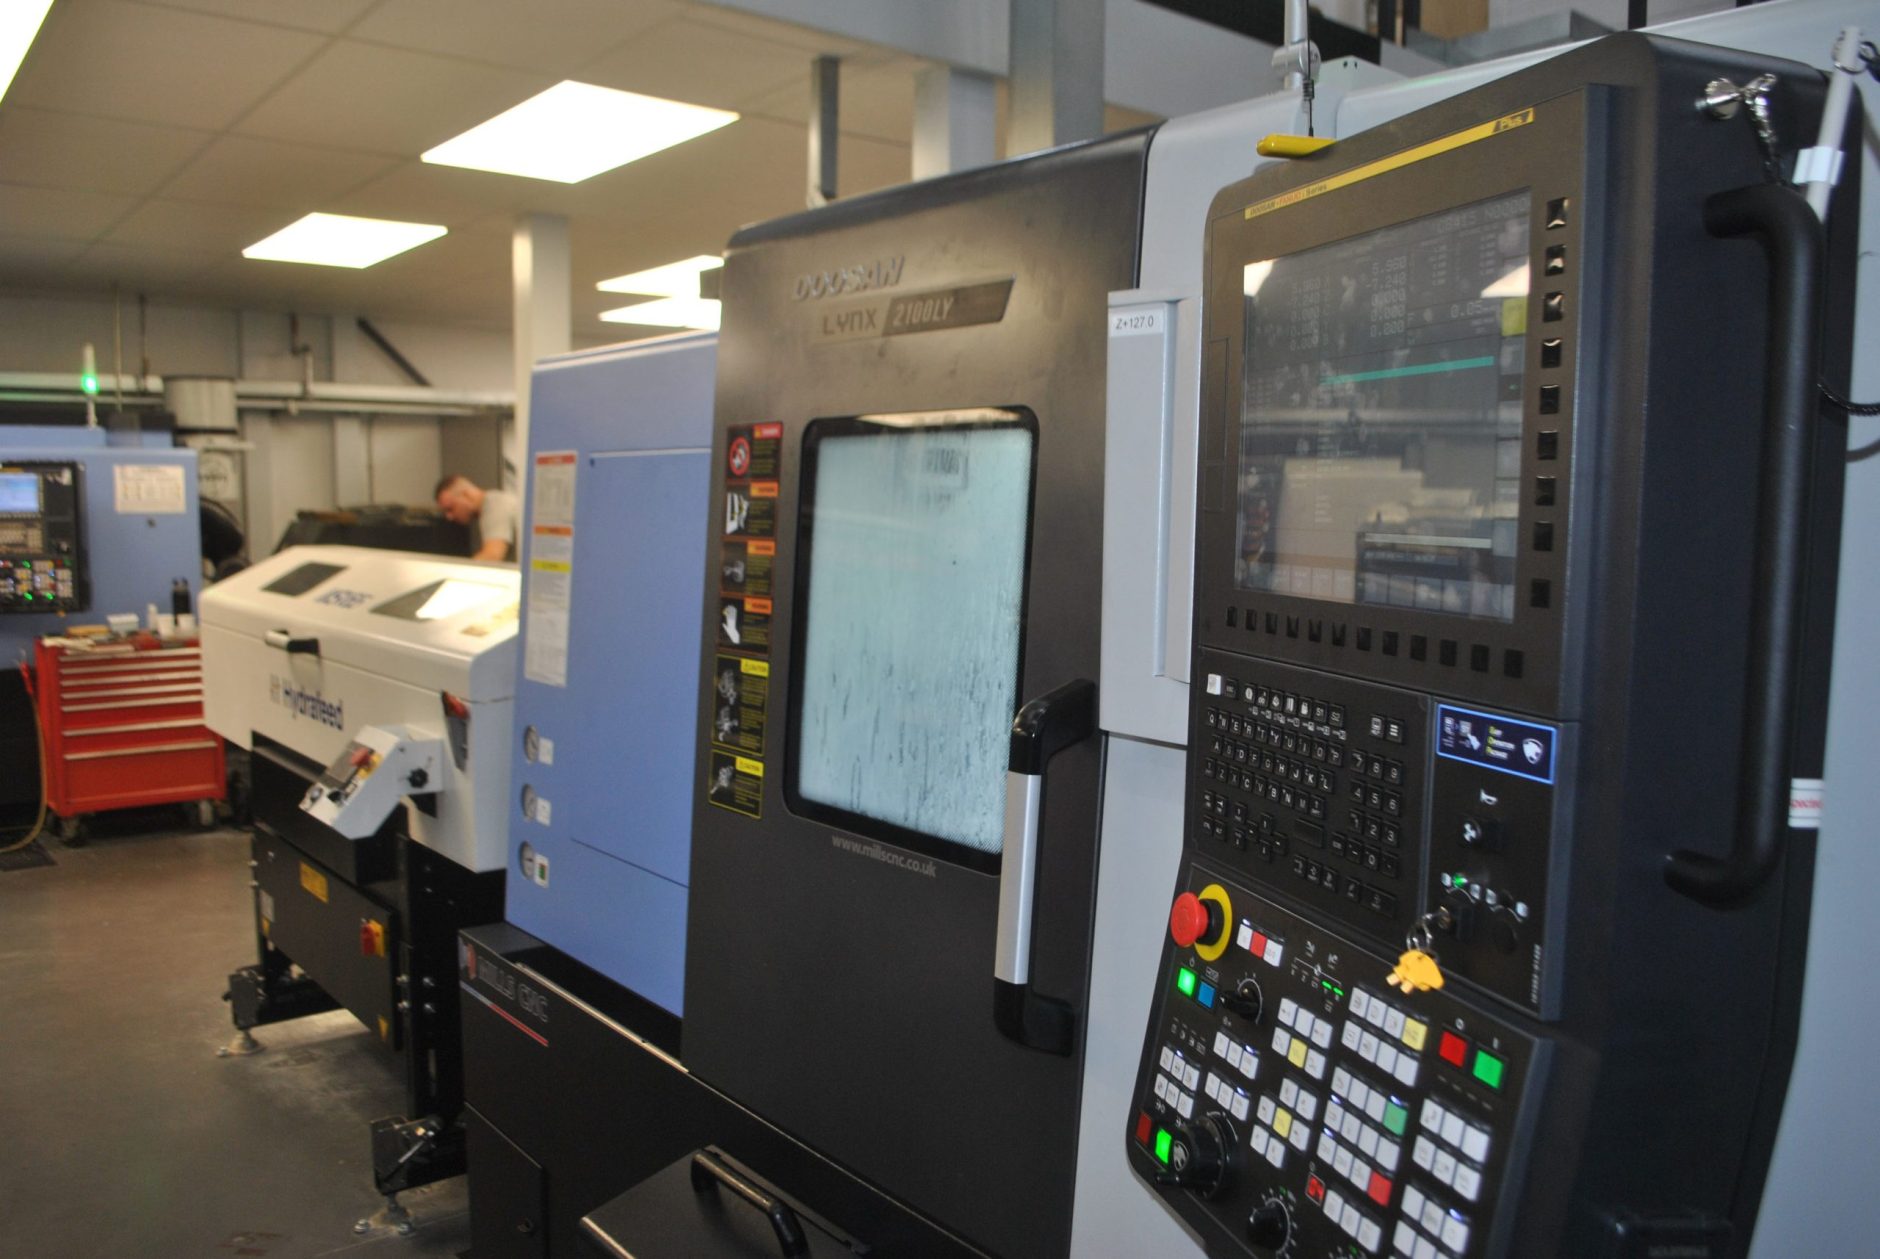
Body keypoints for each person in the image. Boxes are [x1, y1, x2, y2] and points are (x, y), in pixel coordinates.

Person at [435, 474, 519, 562]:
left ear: (466, 495)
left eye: (450, 509)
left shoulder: (496, 504)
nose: (449, 517)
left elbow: (493, 556)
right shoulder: (481, 517)